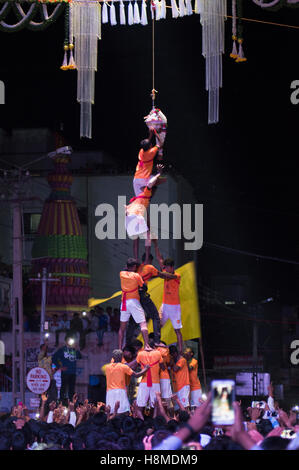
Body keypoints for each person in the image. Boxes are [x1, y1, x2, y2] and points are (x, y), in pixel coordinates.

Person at [137, 252, 178, 346]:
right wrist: (171, 276)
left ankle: (150, 341)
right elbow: (160, 272)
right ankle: (156, 341)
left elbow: (160, 260)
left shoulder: (138, 268)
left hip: (134, 297)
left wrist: (155, 245)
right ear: (150, 261)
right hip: (152, 299)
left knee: (139, 321)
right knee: (155, 318)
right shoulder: (149, 268)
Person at [126, 166, 164, 260]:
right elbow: (151, 183)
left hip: (130, 211)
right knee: (147, 235)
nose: (154, 192)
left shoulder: (140, 194)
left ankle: (136, 259)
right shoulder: (146, 192)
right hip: (137, 211)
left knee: (137, 237)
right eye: (154, 190)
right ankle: (146, 259)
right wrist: (159, 174)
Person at [154, 249, 183, 354]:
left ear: (172, 267)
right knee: (158, 325)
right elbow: (159, 258)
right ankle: (156, 346)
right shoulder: (166, 271)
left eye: (167, 268)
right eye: (164, 268)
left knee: (177, 331)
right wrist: (155, 244)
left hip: (175, 307)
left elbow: (168, 276)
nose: (165, 269)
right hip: (164, 305)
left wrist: (158, 273)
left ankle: (180, 352)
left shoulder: (177, 275)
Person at [118, 257, 151, 351]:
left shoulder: (121, 274)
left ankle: (120, 348)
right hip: (134, 302)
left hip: (124, 303)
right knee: (143, 324)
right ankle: (147, 345)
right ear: (134, 267)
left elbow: (125, 269)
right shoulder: (136, 276)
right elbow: (144, 287)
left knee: (122, 327)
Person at [105, 349, 149, 414]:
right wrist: (146, 369)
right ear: (121, 357)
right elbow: (136, 375)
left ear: (113, 358)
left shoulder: (107, 367)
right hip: (120, 391)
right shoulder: (123, 367)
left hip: (109, 392)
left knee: (111, 412)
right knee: (124, 411)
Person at [133, 127, 163, 197]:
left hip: (137, 179)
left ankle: (147, 193)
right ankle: (149, 192)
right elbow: (161, 143)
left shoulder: (141, 151)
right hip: (144, 179)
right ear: (150, 146)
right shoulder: (151, 152)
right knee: (158, 179)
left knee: (139, 201)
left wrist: (150, 135)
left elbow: (146, 144)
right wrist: (155, 133)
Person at [52, 335, 83, 404]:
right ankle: (61, 404)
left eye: (71, 341)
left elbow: (80, 356)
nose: (70, 342)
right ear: (66, 342)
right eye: (69, 341)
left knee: (72, 390)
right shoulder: (62, 350)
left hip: (73, 372)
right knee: (63, 389)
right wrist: (60, 367)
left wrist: (77, 349)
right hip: (65, 372)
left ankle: (71, 404)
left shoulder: (75, 350)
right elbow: (53, 358)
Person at [136, 339, 164, 412]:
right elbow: (163, 367)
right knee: (155, 405)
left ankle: (141, 421)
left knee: (140, 404)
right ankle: (154, 421)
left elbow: (137, 364)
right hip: (155, 382)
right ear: (154, 346)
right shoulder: (158, 353)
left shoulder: (140, 353)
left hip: (144, 382)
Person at [169, 345, 190, 410]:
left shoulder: (182, 360)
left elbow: (175, 369)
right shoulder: (174, 361)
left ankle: (185, 419)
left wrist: (171, 362)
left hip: (183, 386)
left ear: (175, 353)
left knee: (184, 405)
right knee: (177, 407)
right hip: (176, 387)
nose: (172, 356)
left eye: (172, 355)